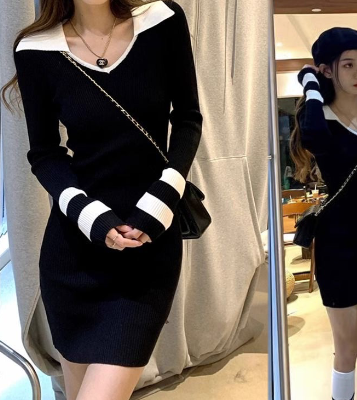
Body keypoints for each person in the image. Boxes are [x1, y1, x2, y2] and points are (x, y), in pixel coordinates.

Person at [1, 1, 201, 399]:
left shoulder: (162, 21)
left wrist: (163, 197)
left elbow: (187, 119)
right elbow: (45, 153)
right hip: (74, 251)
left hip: (147, 249)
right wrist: (87, 213)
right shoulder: (37, 49)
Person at [289, 27, 357, 400]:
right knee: (347, 345)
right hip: (337, 241)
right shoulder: (318, 117)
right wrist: (310, 83)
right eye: (348, 65)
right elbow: (316, 141)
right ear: (327, 70)